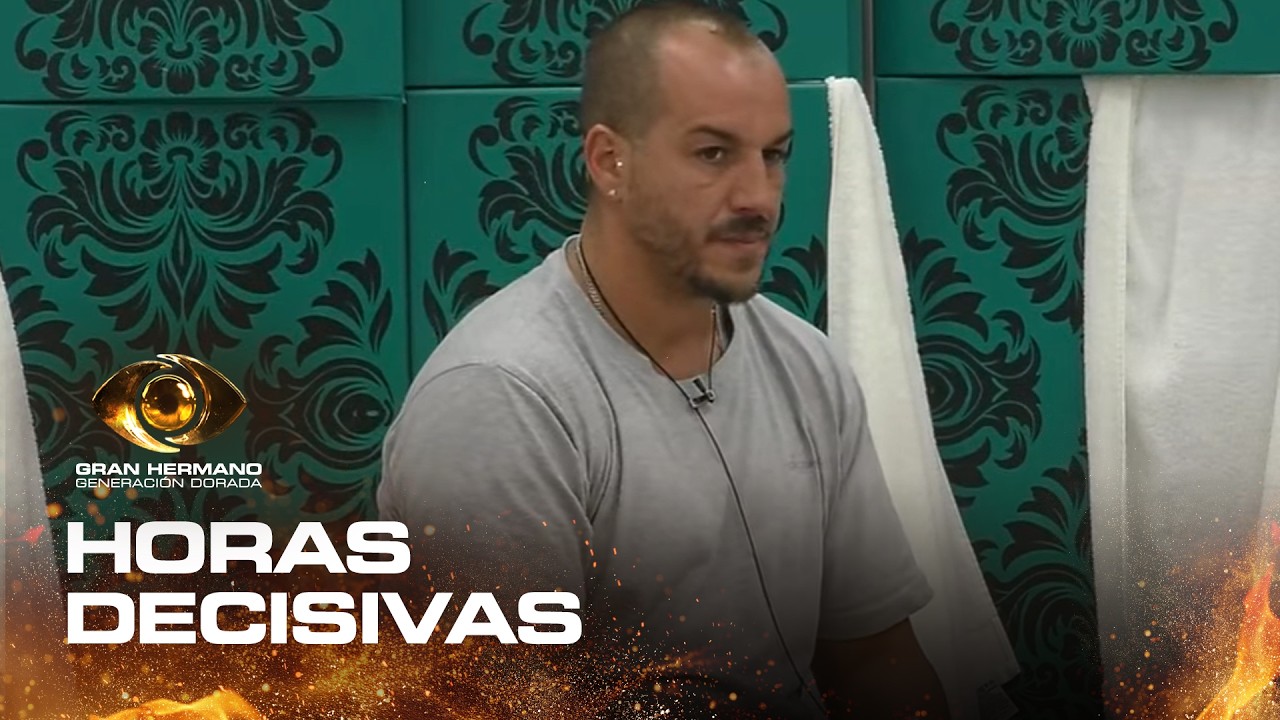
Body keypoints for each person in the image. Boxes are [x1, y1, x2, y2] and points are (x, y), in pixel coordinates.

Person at [378, 2, 949, 717]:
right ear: (609, 161)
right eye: (713, 154)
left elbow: (876, 659)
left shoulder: (807, 363)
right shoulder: (500, 401)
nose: (758, 197)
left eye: (773, 155)